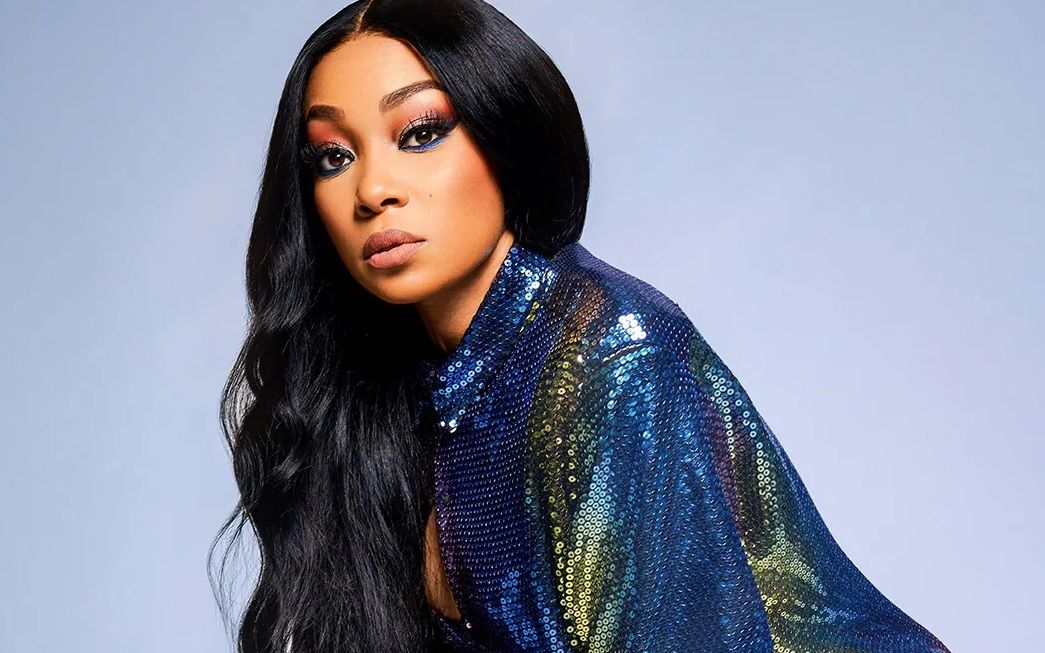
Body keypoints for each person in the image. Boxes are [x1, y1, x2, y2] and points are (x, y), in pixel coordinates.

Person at [210, 1, 953, 652]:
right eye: (333, 156)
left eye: (421, 132)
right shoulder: (404, 392)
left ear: (503, 134)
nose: (372, 189)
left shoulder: (610, 362)